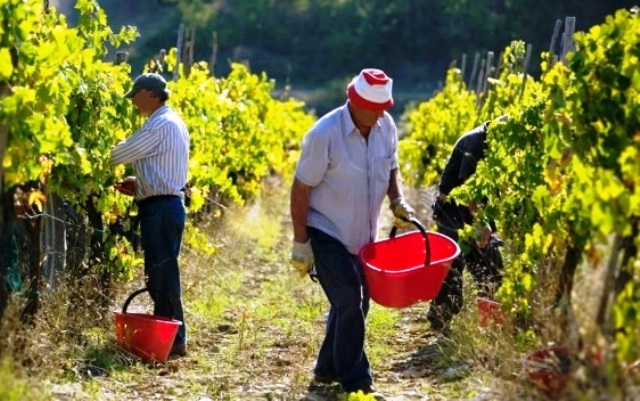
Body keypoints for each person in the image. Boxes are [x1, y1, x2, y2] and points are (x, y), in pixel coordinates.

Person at [289, 68, 415, 399]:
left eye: (382, 109)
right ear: (352, 101)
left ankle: (327, 369)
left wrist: (397, 199)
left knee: (357, 304)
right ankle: (357, 383)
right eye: (370, 109)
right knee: (349, 301)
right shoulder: (325, 134)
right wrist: (301, 242)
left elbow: (391, 168)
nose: (376, 115)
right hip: (326, 229)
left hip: (364, 237)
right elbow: (301, 188)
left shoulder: (386, 127)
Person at [110, 73, 190, 357]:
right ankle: (168, 337)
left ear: (151, 95)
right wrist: (140, 183)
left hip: (160, 208)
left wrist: (84, 157)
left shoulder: (159, 125)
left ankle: (175, 339)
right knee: (160, 273)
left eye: (136, 95)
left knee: (163, 275)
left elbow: (120, 154)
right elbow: (163, 169)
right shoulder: (173, 122)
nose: (132, 101)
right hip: (165, 204)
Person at [427, 119, 505, 333]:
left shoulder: (496, 144)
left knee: (491, 265)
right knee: (452, 266)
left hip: (472, 209)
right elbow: (469, 189)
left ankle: (491, 326)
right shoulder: (475, 142)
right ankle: (440, 317)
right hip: (451, 210)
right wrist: (481, 224)